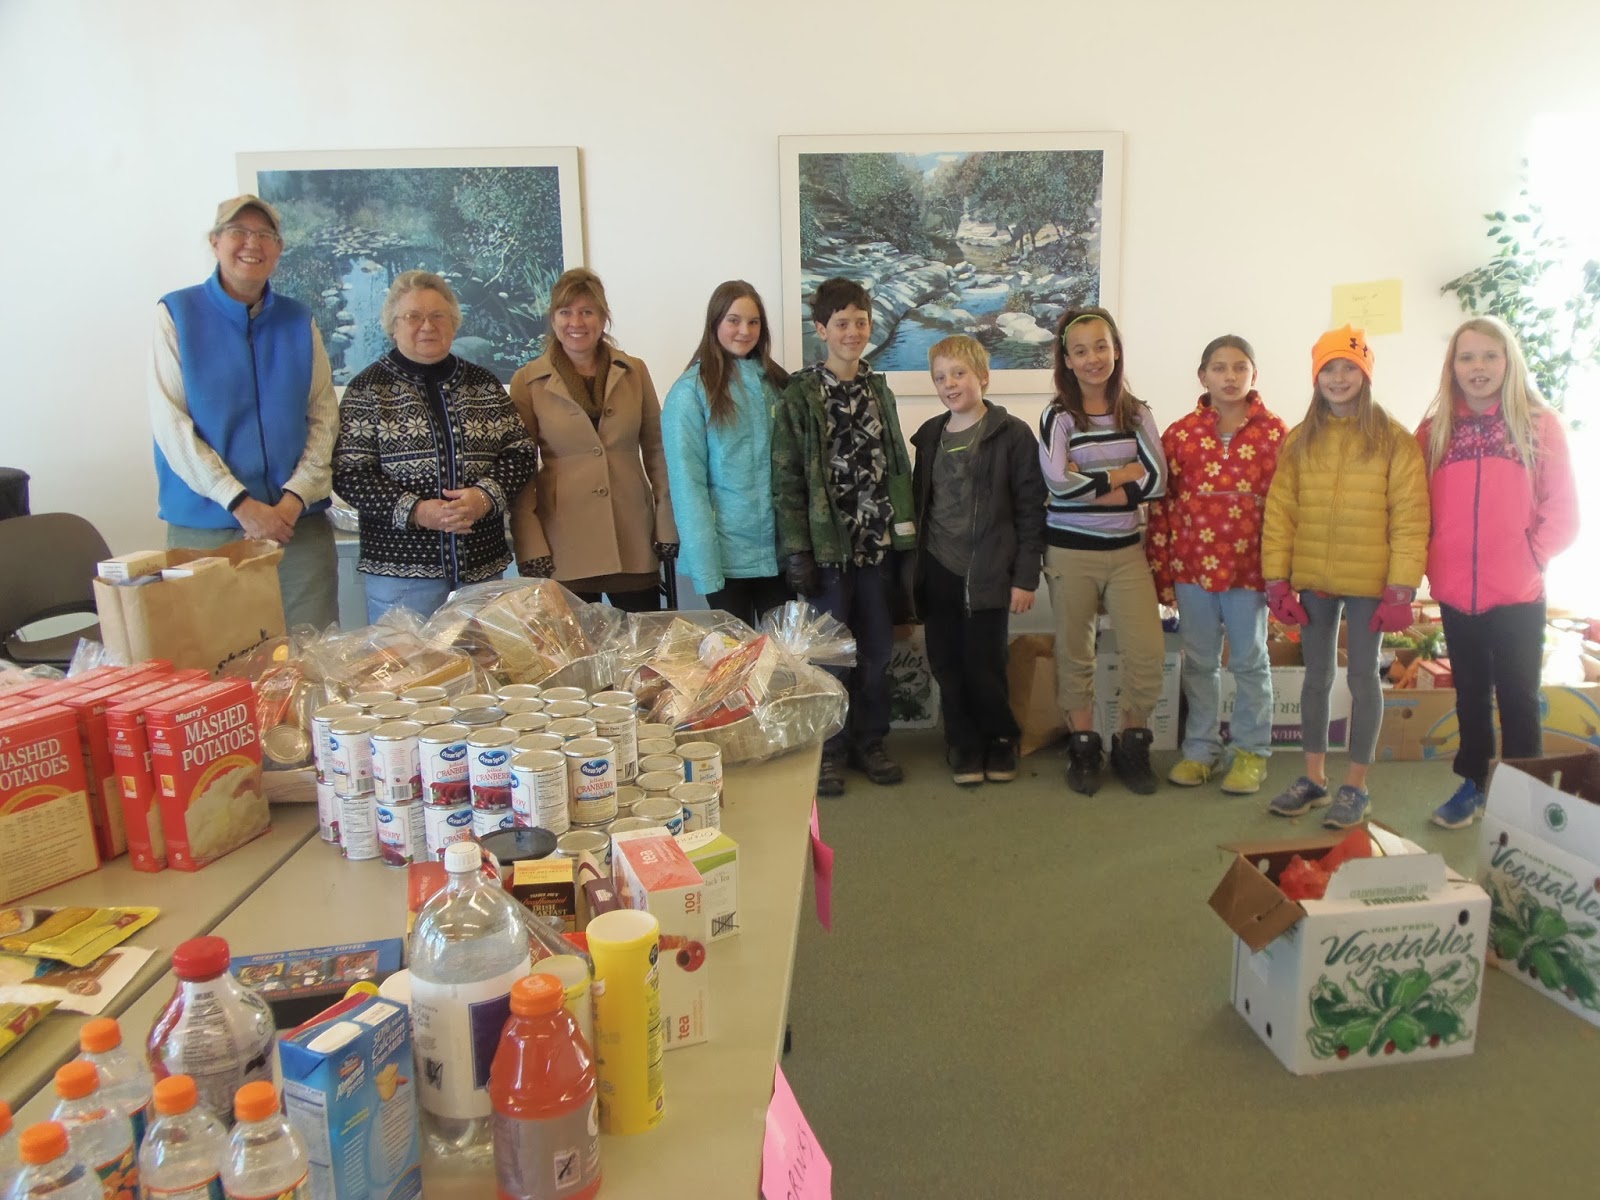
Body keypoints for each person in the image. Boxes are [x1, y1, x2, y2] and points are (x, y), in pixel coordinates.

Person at [1262, 325, 1429, 827]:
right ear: (1316, 377)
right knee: (1315, 678)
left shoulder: (1394, 441)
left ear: (1365, 373)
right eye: (1328, 369)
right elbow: (1280, 513)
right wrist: (1276, 580)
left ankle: (1356, 786)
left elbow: (1410, 517)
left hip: (1370, 585)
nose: (1338, 378)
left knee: (1362, 678)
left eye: (1348, 368)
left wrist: (1401, 589)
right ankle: (1313, 778)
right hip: (1314, 578)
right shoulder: (1299, 440)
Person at [1417, 316, 1579, 828]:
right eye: (1467, 357)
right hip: (1455, 589)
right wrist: (1427, 556)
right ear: (1453, 367)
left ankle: (1525, 800)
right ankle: (1474, 784)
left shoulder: (1538, 424)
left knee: (1519, 697)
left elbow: (1563, 509)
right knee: (1469, 693)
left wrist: (1531, 556)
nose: (1479, 367)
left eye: (1490, 355)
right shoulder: (1435, 429)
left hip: (1517, 590)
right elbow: (1411, 504)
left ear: (1509, 361)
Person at [149, 195, 339, 629]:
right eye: (239, 232)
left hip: (297, 528)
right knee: (213, 664)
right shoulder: (176, 313)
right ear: (215, 242)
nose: (251, 243)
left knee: (311, 659)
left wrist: (293, 499)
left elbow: (324, 416)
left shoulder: (299, 319)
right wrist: (239, 502)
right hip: (207, 528)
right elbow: (171, 425)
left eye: (265, 235)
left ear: (278, 249)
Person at [773, 277, 914, 796]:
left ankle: (870, 740)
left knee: (876, 652)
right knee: (829, 656)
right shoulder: (800, 394)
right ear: (821, 329)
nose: (852, 332)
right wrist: (797, 551)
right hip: (827, 551)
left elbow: (898, 466)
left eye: (861, 322)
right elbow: (786, 478)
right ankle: (827, 749)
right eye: (841, 323)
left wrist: (904, 543)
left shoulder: (879, 389)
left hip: (875, 549)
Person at [332, 271, 538, 623]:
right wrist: (417, 511)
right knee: (407, 675)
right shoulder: (367, 389)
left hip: (480, 570)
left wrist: (483, 497)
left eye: (438, 316)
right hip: (401, 577)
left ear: (454, 324)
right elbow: (351, 474)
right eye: (413, 316)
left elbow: (520, 452)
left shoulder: (483, 384)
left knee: (482, 671)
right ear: (393, 326)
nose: (427, 325)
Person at [1146, 336, 1287, 795]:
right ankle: (1200, 750)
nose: (1230, 377)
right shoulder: (1180, 433)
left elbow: (1288, 507)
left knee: (1250, 662)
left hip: (1249, 571)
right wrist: (1162, 569)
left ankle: (1250, 752)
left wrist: (1284, 571)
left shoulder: (1274, 433)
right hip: (1192, 569)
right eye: (1220, 368)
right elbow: (1163, 506)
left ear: (1254, 375)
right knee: (1200, 663)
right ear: (1203, 375)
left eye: (1240, 368)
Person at [1038, 307, 1169, 796]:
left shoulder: (1137, 413)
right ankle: (1084, 745)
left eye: (1101, 347)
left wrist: (1089, 481)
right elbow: (1056, 483)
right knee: (1076, 653)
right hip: (1069, 553)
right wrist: (1121, 474)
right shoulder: (1058, 416)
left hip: (1126, 551)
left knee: (1147, 652)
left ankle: (1131, 743)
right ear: (1067, 360)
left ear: (1115, 351)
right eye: (1081, 350)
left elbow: (1158, 481)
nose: (1093, 358)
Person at [911, 336, 1046, 787]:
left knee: (984, 664)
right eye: (940, 377)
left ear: (983, 377)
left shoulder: (1012, 435)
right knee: (947, 663)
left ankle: (1000, 739)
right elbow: (920, 505)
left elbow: (1030, 510)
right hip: (938, 570)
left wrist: (1025, 578)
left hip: (988, 573)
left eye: (959, 374)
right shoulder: (929, 436)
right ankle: (962, 741)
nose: (950, 384)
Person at [508, 268, 676, 611]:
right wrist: (530, 544)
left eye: (587, 311)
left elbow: (657, 450)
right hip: (563, 539)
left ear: (603, 318)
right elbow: (520, 467)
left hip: (632, 534)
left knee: (643, 647)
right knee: (573, 653)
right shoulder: (527, 381)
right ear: (552, 318)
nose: (576, 322)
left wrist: (666, 522)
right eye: (565, 311)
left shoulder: (635, 371)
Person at [661, 281, 792, 627]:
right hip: (725, 556)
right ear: (715, 323)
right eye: (734, 320)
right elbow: (688, 485)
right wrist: (706, 566)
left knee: (782, 661)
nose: (744, 331)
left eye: (753, 322)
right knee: (737, 663)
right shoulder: (690, 392)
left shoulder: (778, 385)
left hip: (778, 555)